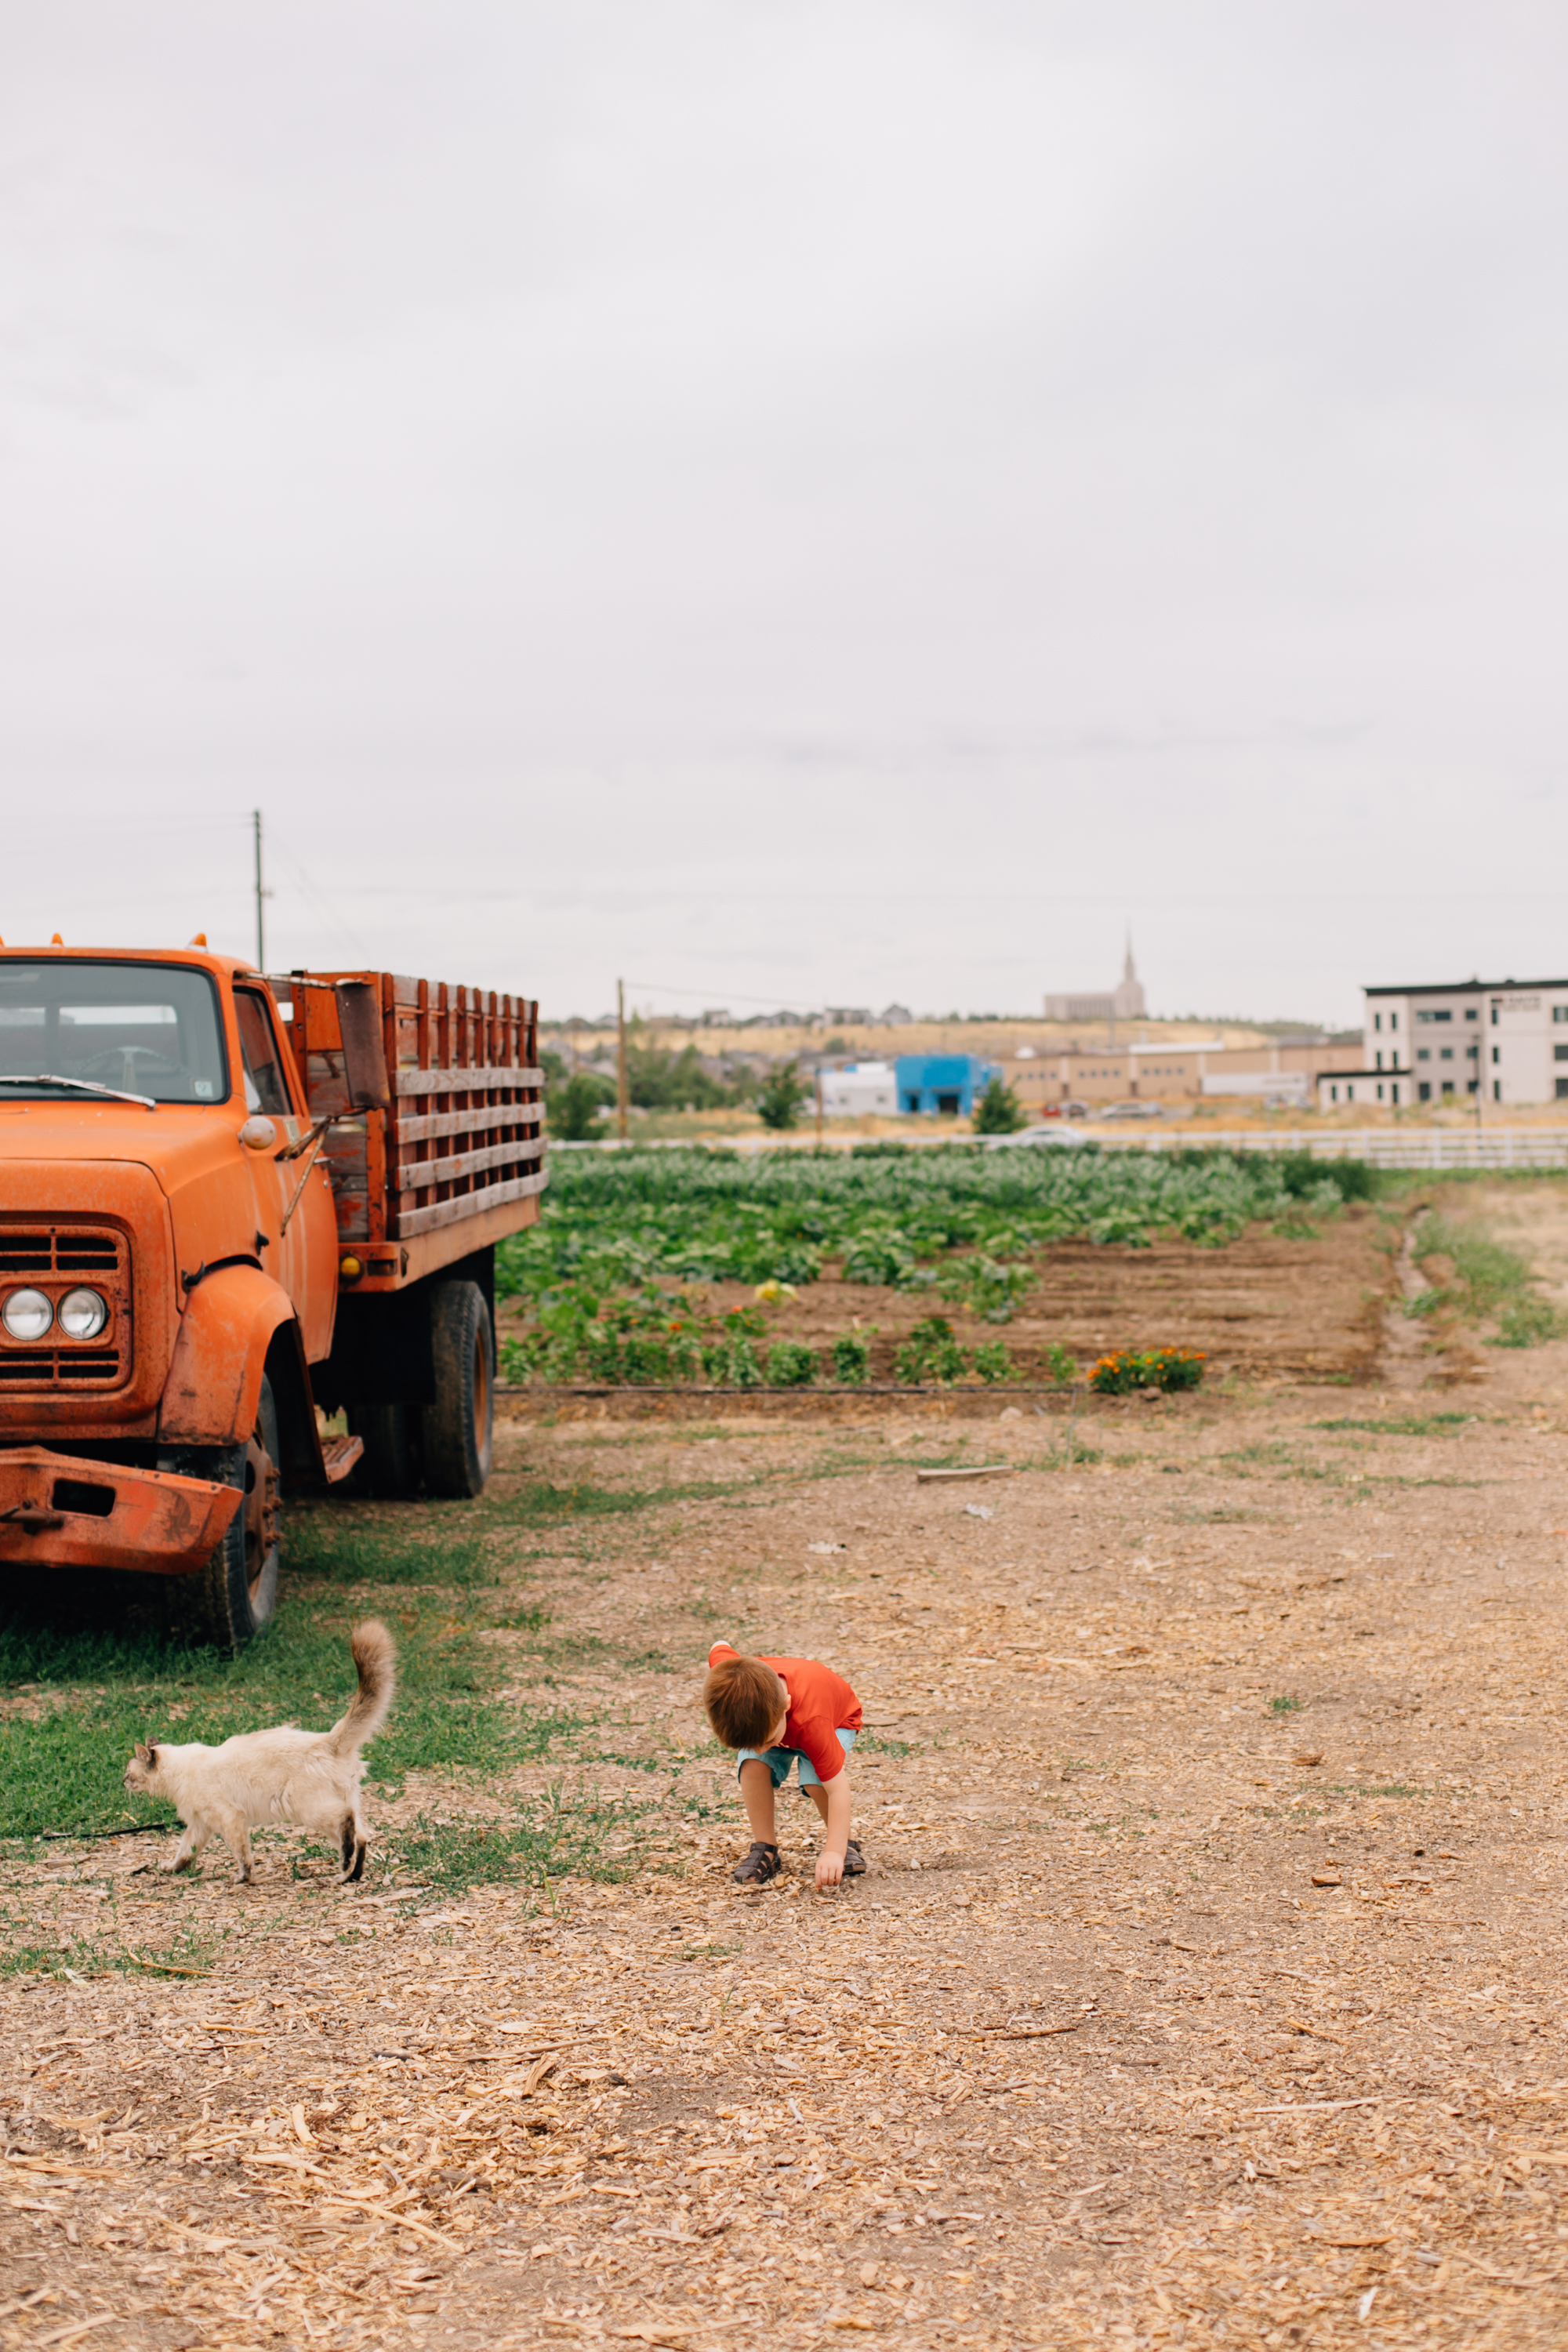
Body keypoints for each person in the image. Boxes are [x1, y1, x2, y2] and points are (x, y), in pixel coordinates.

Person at [702, 1640, 865, 1889]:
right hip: (777, 1724)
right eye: (752, 1743)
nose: (761, 1749)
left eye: (765, 1742)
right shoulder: (731, 1680)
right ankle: (765, 1847)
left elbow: (838, 1789)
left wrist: (833, 1852)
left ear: (786, 1706)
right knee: (752, 1765)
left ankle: (846, 1844)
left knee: (817, 1782)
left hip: (836, 1719)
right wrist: (766, 1740)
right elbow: (719, 1647)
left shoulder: (812, 1722)